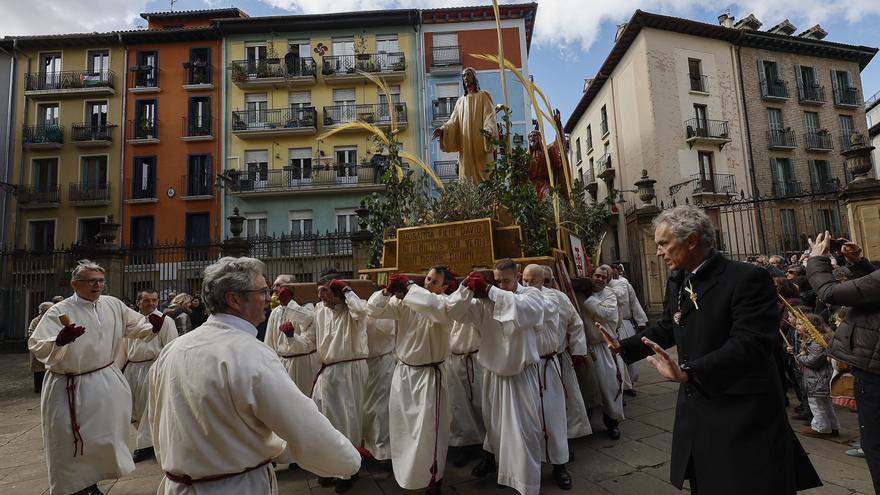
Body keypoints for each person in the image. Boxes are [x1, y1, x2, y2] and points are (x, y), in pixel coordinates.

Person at [598, 205, 820, 494]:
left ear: (691, 240)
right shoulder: (679, 280)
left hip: (743, 410)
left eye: (664, 244)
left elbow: (751, 343)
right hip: (700, 407)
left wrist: (689, 371)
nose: (658, 253)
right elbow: (670, 326)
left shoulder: (746, 278)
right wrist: (622, 347)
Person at [148, 257, 361, 494]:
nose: (268, 298)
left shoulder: (173, 349)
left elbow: (156, 419)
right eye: (262, 291)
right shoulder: (251, 354)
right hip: (236, 486)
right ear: (234, 299)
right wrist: (349, 460)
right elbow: (302, 424)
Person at [29, 259, 163, 495]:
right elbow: (38, 345)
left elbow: (134, 326)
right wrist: (58, 341)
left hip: (105, 379)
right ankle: (73, 488)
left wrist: (152, 326)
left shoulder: (112, 304)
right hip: (70, 384)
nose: (97, 285)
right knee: (71, 441)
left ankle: (92, 483)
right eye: (91, 281)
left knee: (102, 438)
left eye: (101, 281)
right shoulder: (59, 311)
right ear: (75, 283)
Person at [445, 259, 544, 495]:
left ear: (517, 277)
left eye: (506, 281)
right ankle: (507, 474)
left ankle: (527, 485)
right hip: (493, 376)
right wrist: (466, 288)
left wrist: (491, 289)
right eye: (497, 280)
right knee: (497, 430)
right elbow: (453, 311)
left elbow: (524, 311)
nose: (501, 284)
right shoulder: (485, 302)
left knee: (525, 432)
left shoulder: (531, 295)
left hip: (521, 375)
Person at [367, 269, 454, 494]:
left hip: (428, 377)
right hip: (404, 374)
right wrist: (386, 292)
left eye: (435, 282)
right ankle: (411, 475)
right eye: (427, 279)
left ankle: (435, 478)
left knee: (429, 432)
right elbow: (373, 310)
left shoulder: (444, 303)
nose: (429, 284)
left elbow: (433, 307)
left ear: (444, 288)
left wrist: (409, 289)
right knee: (404, 430)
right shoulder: (408, 302)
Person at [807, 231, 880, 493]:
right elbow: (872, 289)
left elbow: (829, 292)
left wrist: (816, 260)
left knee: (876, 445)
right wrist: (858, 263)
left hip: (874, 374)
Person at [288, 269, 369, 493]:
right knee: (326, 421)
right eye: (318, 292)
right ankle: (332, 467)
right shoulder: (320, 311)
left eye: (324, 291)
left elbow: (363, 312)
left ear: (336, 291)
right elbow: (311, 338)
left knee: (348, 420)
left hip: (350, 369)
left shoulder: (353, 307)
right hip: (327, 371)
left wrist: (347, 291)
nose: (321, 296)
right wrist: (291, 338)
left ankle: (350, 470)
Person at [521, 264, 574, 490]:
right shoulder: (517, 298)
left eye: (533, 281)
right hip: (525, 369)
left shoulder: (552, 299)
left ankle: (560, 465)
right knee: (525, 421)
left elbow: (538, 310)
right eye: (524, 280)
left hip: (547, 365)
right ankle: (522, 469)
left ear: (543, 281)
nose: (527, 285)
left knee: (553, 418)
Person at [118, 288, 178, 464]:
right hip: (132, 368)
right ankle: (150, 441)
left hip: (153, 366)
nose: (151, 304)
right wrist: (118, 368)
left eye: (154, 300)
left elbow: (171, 346)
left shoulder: (165, 321)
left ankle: (144, 446)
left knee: (148, 409)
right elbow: (123, 346)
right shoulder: (131, 321)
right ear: (138, 302)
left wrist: (165, 370)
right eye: (147, 301)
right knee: (134, 409)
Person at [541, 266, 592, 441]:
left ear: (552, 281)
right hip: (534, 365)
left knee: (566, 401)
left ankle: (566, 437)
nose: (542, 285)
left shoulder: (561, 298)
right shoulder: (521, 299)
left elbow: (576, 324)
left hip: (558, 359)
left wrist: (578, 352)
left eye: (546, 280)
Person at [582, 266, 626, 439]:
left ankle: (612, 422)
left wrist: (588, 299)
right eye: (597, 275)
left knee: (610, 386)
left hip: (605, 346)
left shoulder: (609, 294)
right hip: (587, 346)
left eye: (603, 277)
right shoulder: (582, 294)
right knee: (589, 387)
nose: (599, 279)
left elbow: (604, 313)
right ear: (590, 276)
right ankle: (588, 422)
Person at [432, 67, 498, 182]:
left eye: (468, 74)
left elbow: (490, 116)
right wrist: (443, 129)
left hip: (480, 145)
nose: (466, 77)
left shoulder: (483, 96)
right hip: (465, 147)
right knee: (467, 181)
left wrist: (489, 130)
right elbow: (453, 121)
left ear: (474, 77)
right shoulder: (460, 101)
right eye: (464, 76)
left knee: (485, 178)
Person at [264, 276, 321, 397]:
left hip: (303, 364)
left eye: (280, 285)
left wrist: (290, 304)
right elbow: (269, 342)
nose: (275, 289)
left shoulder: (307, 306)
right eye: (274, 286)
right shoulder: (276, 311)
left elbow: (309, 324)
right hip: (282, 364)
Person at [795, 313, 840, 437]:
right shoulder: (814, 341)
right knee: (825, 404)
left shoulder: (817, 341)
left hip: (818, 379)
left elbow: (813, 361)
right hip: (818, 379)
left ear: (811, 326)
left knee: (816, 404)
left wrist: (800, 356)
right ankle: (832, 426)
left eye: (800, 324)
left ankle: (821, 427)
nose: (796, 326)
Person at [605, 263, 648, 394]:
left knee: (630, 355)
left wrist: (641, 322)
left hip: (625, 323)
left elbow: (633, 302)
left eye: (615, 275)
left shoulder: (624, 285)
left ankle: (631, 383)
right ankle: (623, 385)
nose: (612, 278)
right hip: (609, 326)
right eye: (609, 275)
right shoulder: (599, 288)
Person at [361, 312, 396, 466]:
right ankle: (370, 447)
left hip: (383, 362)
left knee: (381, 408)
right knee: (367, 409)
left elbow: (386, 333)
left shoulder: (385, 310)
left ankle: (384, 451)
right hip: (367, 364)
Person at [27, 301, 53, 393]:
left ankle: (47, 387)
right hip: (38, 347)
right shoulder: (35, 321)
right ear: (41, 311)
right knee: (39, 370)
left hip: (51, 347)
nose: (47, 312)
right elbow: (31, 333)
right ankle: (38, 387)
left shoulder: (52, 319)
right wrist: (40, 340)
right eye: (45, 310)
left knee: (49, 369)